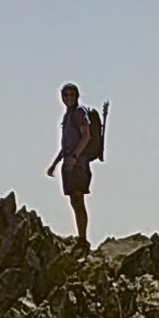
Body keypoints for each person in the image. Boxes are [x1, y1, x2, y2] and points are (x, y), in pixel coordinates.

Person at [46, 82, 98, 246]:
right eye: (65, 95)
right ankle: (81, 237)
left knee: (78, 197)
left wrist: (75, 157)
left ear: (77, 96)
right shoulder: (67, 116)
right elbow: (65, 145)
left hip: (78, 164)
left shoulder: (79, 113)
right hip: (69, 163)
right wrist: (55, 163)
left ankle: (82, 239)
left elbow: (86, 135)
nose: (68, 97)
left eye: (71, 94)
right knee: (74, 201)